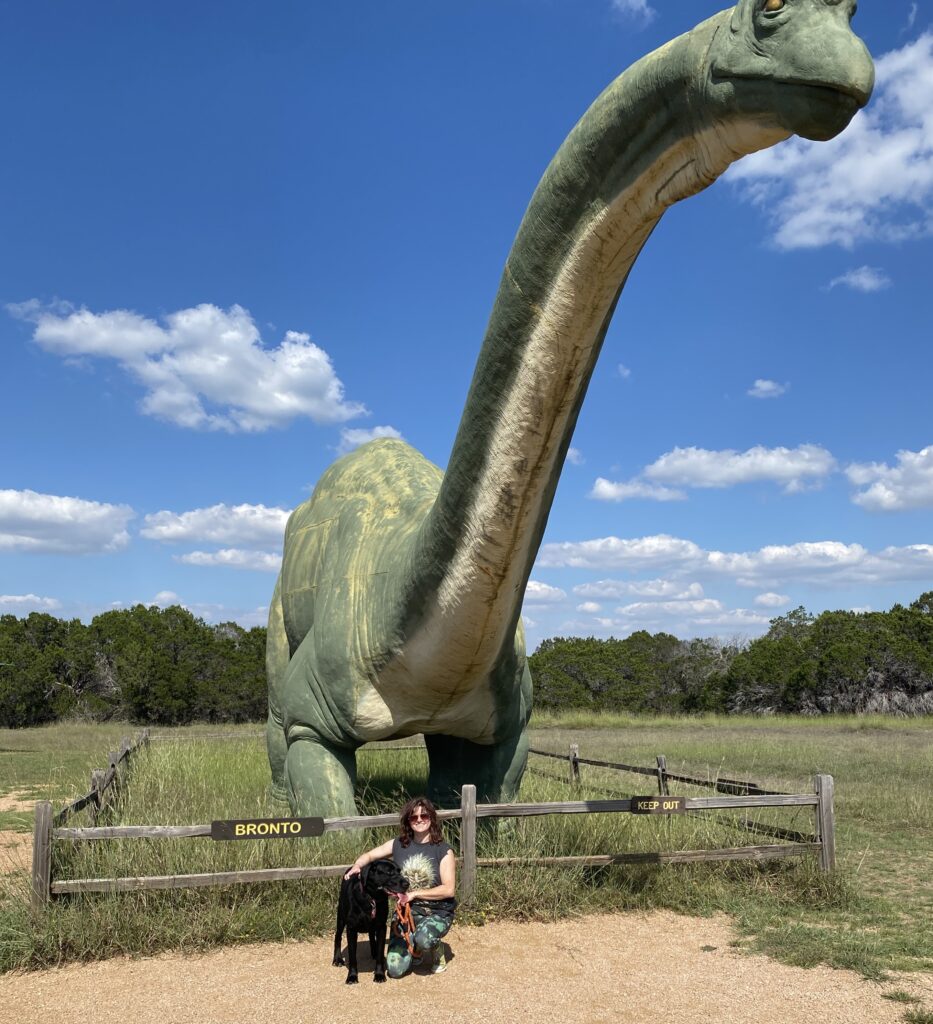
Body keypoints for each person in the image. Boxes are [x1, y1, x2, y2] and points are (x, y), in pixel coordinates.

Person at [344, 795, 456, 977]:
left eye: (424, 816)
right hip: (406, 912)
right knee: (394, 970)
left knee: (423, 938)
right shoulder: (398, 844)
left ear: (432, 818)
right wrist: (357, 865)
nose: (419, 820)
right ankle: (414, 949)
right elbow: (370, 856)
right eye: (414, 817)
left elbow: (448, 889)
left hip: (436, 910)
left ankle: (435, 949)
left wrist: (414, 894)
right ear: (408, 821)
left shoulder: (443, 850)